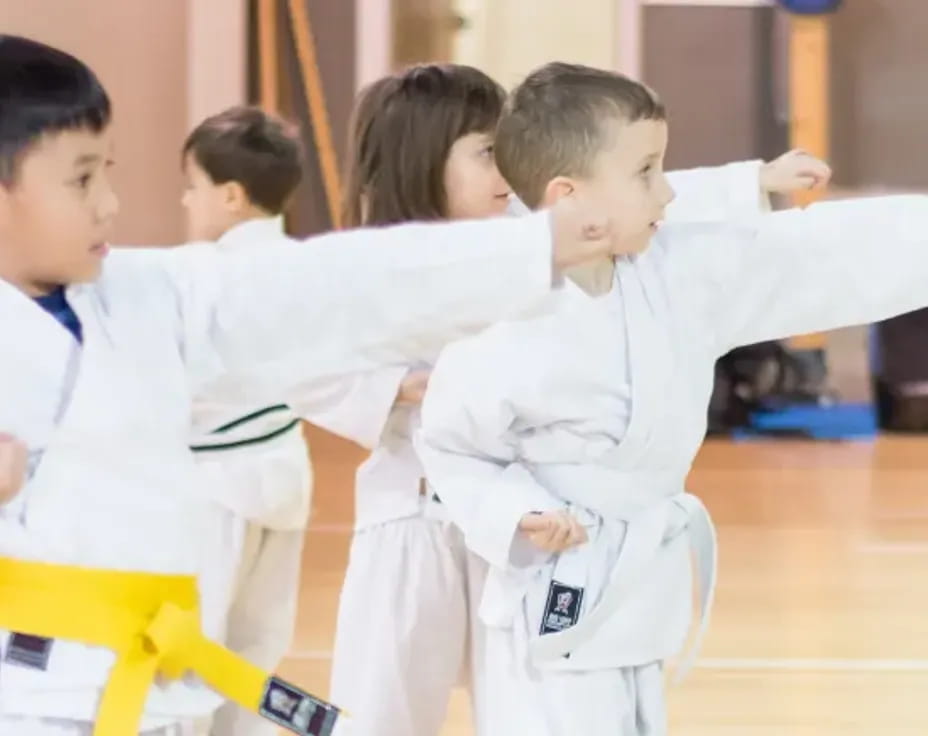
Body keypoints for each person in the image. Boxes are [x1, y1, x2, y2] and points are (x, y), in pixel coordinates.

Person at [0, 37, 617, 735]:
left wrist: (536, 244)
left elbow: (330, 285)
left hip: (147, 691)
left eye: (105, 173)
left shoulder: (148, 297)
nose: (110, 204)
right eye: (80, 180)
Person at [416, 61, 928, 736]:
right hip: (554, 592)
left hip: (643, 589)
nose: (668, 193)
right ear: (568, 196)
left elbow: (816, 254)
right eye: (648, 173)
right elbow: (451, 451)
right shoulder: (501, 314)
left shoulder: (675, 271)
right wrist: (517, 510)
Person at [327, 63, 834, 736]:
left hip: (516, 529)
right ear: (419, 161)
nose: (508, 167)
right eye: (486, 152)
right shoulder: (366, 265)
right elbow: (293, 363)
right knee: (380, 709)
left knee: (517, 701)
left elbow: (626, 196)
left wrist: (752, 185)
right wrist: (395, 386)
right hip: (412, 521)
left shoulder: (527, 232)